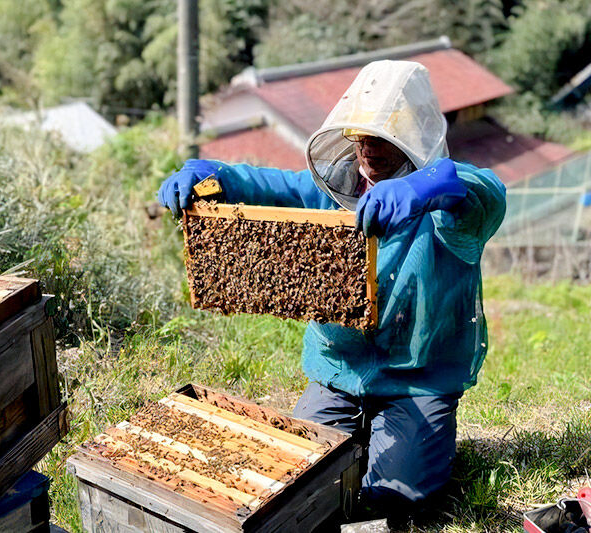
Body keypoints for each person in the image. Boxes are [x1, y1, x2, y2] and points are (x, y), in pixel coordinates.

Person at [157, 60, 507, 521]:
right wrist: (214, 174)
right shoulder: (332, 188)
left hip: (418, 378)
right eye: (361, 136)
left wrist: (428, 187)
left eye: (384, 138)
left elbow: (485, 189)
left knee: (395, 500)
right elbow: (264, 183)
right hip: (339, 371)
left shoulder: (450, 209)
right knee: (298, 481)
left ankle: (414, 446)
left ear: (412, 140)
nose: (369, 150)